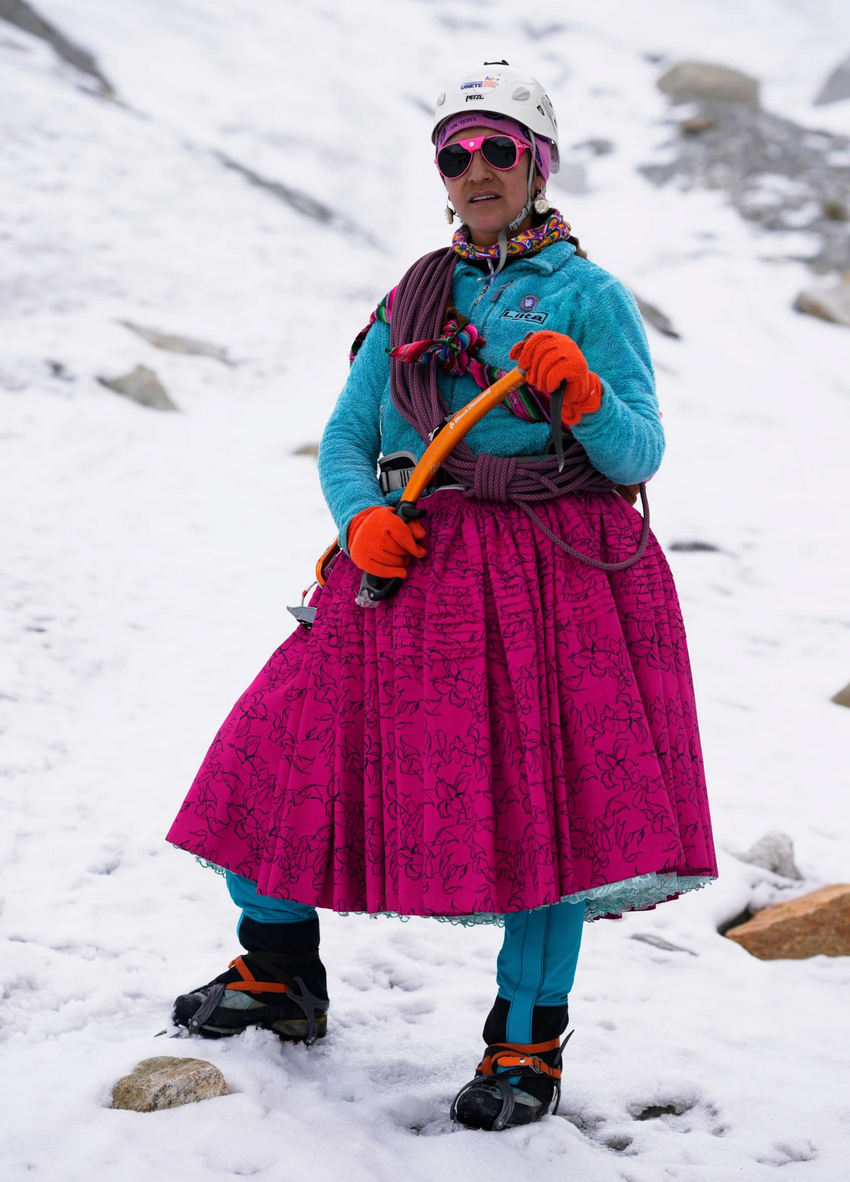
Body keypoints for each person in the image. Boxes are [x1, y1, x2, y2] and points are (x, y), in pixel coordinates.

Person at [166, 62, 716, 1132]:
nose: (474, 170)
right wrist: (355, 521)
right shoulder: (416, 291)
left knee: (544, 816)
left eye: (497, 149)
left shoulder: (590, 297)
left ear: (537, 164)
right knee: (272, 758)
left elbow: (638, 449)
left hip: (557, 573)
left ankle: (525, 1042)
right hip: (410, 564)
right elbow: (346, 437)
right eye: (455, 153)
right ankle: (279, 973)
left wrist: (589, 398)